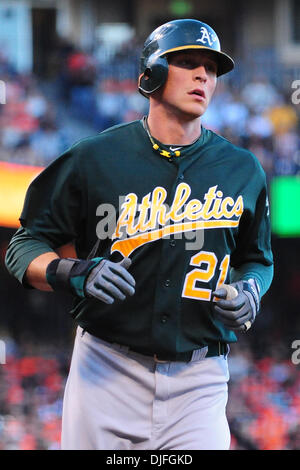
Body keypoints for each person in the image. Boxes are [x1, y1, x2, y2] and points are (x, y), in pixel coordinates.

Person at [5, 19, 273, 450]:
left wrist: (251, 290)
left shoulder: (243, 169)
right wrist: (72, 271)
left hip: (199, 378)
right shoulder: (93, 157)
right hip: (106, 369)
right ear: (152, 73)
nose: (203, 75)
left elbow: (258, 258)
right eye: (188, 62)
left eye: (211, 67)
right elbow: (24, 245)